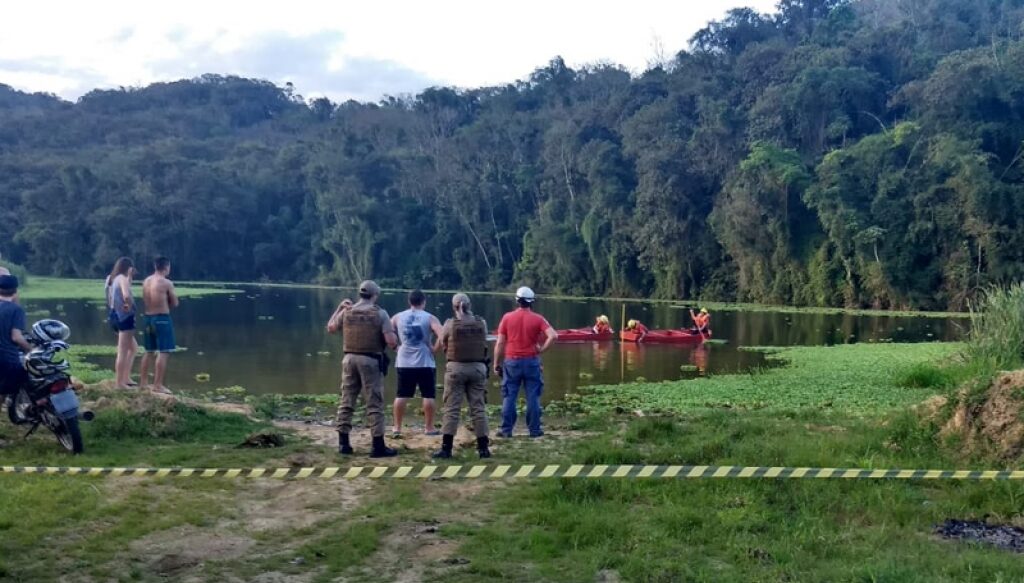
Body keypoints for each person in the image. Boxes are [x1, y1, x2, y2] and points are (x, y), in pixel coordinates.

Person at [327, 280, 400, 457]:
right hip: (370, 361)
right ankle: (377, 446)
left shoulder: (347, 311)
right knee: (374, 402)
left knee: (347, 400)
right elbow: (391, 341)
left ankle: (343, 444)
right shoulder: (380, 313)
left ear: (360, 294)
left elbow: (331, 328)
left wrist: (339, 308)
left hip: (348, 360)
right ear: (375, 295)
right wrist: (396, 342)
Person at [493, 286, 557, 438]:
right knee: (533, 396)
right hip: (531, 362)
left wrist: (496, 363)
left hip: (511, 362)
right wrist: (541, 350)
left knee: (509, 396)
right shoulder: (538, 318)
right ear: (531, 302)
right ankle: (534, 431)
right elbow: (553, 336)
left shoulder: (507, 317)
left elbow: (500, 343)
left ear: (517, 300)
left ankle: (506, 430)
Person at [433, 293, 491, 458]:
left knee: (452, 409)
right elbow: (483, 341)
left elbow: (442, 342)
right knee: (478, 408)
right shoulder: (481, 322)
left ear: (454, 307)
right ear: (469, 305)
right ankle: (483, 449)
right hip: (478, 368)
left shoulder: (450, 324)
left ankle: (446, 449)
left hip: (456, 369)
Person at [390, 289, 444, 437]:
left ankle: (397, 427)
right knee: (428, 395)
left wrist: (395, 347)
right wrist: (435, 349)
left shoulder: (398, 317)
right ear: (423, 302)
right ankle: (429, 428)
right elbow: (442, 335)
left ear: (409, 302)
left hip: (404, 361)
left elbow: (386, 332)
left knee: (401, 395)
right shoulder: (430, 317)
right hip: (425, 361)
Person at [139, 257, 179, 394]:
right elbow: (175, 303)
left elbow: (145, 300)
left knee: (149, 351)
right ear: (166, 267)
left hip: (148, 318)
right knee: (164, 351)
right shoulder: (166, 283)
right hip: (162, 318)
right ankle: (158, 384)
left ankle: (143, 383)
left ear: (155, 266)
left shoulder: (146, 281)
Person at [105, 257, 138, 389]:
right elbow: (126, 295)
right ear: (128, 268)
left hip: (114, 316)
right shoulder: (122, 279)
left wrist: (129, 277)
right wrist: (128, 305)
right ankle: (119, 383)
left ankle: (125, 377)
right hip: (124, 318)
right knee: (123, 351)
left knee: (133, 348)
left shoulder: (112, 279)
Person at [0, 275, 32, 401]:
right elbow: (16, 337)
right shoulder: (16, 310)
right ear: (15, 290)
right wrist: (30, 349)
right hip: (7, 359)